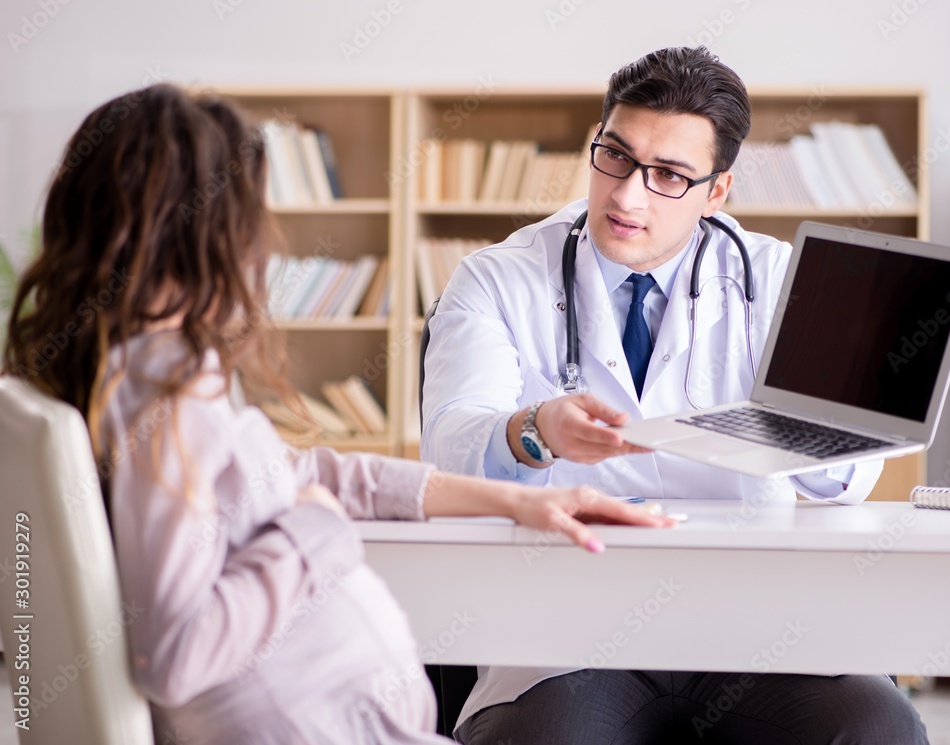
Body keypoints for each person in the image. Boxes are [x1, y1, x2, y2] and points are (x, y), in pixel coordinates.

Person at [1, 83, 673, 745]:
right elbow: (175, 652)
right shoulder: (169, 396)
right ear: (208, 228)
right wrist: (314, 530)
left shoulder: (119, 371)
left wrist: (512, 500)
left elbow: (306, 473)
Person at [420, 47, 929, 744]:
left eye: (668, 175)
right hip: (570, 630)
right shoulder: (496, 280)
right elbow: (450, 445)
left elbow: (850, 479)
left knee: (876, 729)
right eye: (616, 157)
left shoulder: (779, 280)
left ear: (717, 191)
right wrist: (535, 430)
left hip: (757, 622)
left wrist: (805, 430)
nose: (628, 195)